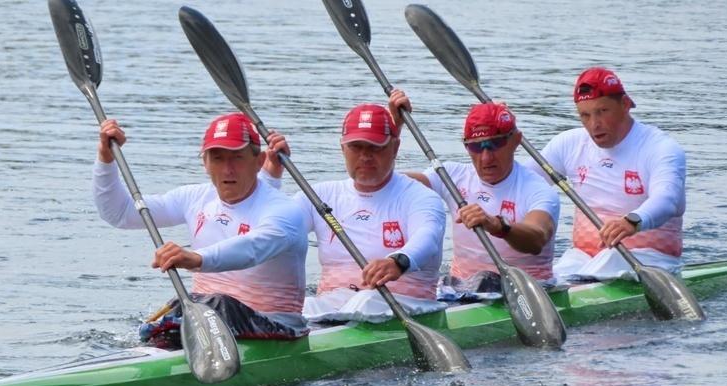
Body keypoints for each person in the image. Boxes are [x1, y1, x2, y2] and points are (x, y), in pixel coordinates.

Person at [92, 112, 309, 345]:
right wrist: (106, 157)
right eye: (217, 158)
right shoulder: (194, 198)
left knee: (219, 303)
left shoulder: (284, 210)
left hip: (277, 326)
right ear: (205, 163)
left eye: (237, 157)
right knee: (186, 304)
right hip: (208, 315)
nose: (227, 169)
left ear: (259, 161)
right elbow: (119, 213)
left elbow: (253, 248)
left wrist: (196, 259)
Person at [388, 89, 560, 296]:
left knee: (486, 280)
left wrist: (497, 225)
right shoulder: (451, 176)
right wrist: (394, 129)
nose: (486, 157)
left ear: (516, 140)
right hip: (459, 289)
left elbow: (537, 238)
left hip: (527, 292)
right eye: (476, 147)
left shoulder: (536, 189)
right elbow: (389, 183)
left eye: (494, 144)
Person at [525, 67, 687, 281]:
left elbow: (667, 200)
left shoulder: (659, 148)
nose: (594, 124)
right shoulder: (569, 144)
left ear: (625, 104)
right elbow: (520, 184)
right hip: (582, 259)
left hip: (650, 261)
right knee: (549, 276)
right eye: (585, 115)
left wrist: (632, 221)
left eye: (602, 111)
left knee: (610, 259)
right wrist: (502, 136)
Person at [292, 103, 447, 322]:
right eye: (356, 147)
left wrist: (398, 262)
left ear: (395, 148)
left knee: (366, 300)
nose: (365, 156)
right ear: (342, 149)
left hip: (408, 306)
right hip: (333, 305)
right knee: (302, 305)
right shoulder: (318, 196)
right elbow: (274, 231)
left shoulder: (420, 197)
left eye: (375, 147)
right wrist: (270, 177)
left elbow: (427, 237)